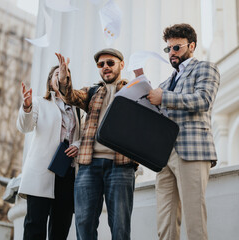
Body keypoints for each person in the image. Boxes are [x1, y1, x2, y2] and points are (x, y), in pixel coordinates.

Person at [135, 23, 220, 240]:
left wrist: (164, 98)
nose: (171, 53)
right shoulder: (164, 82)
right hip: (164, 156)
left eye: (176, 48)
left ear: (191, 46)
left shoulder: (205, 68)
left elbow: (203, 100)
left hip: (191, 150)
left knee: (194, 219)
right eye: (168, 49)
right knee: (165, 222)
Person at [56, 49, 137, 240]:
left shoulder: (134, 90)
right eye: (101, 65)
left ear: (121, 65)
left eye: (110, 63)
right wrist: (63, 78)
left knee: (120, 226)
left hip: (121, 166)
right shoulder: (91, 92)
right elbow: (71, 96)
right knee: (84, 224)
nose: (106, 67)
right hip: (88, 166)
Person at [16, 65, 81, 240]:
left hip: (67, 173)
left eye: (65, 75)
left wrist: (78, 144)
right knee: (34, 226)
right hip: (42, 172)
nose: (61, 78)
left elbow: (83, 135)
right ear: (50, 82)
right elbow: (25, 127)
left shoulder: (77, 108)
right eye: (57, 75)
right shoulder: (39, 102)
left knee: (60, 228)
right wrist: (27, 107)